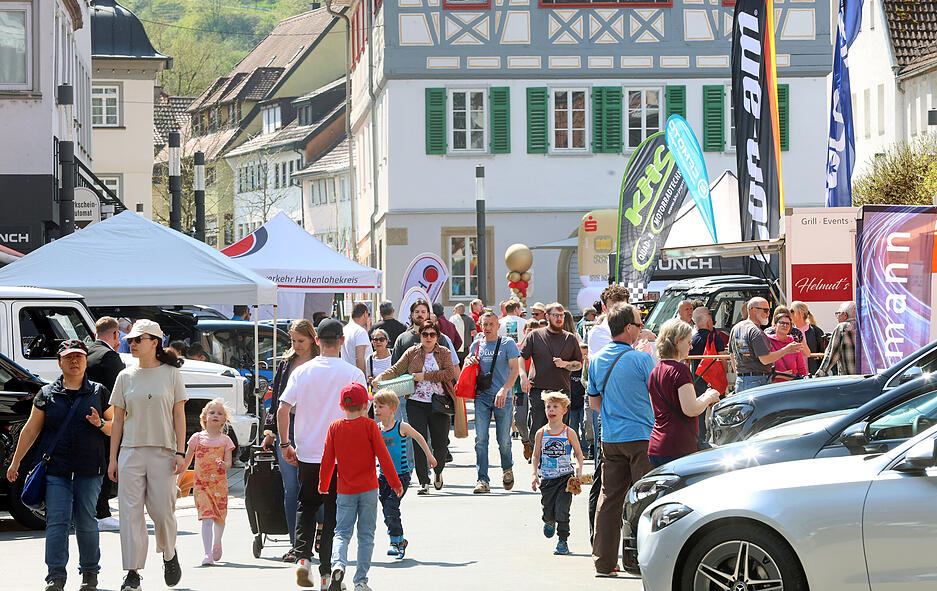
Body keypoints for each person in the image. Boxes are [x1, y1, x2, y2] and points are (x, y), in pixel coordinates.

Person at [6, 340, 110, 591]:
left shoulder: (99, 391)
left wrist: (100, 423)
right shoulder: (46, 393)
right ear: (60, 362)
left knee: (86, 521)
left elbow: (116, 427)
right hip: (56, 469)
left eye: (79, 357)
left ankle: (89, 574)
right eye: (69, 357)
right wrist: (15, 462)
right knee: (57, 523)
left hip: (89, 468)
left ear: (85, 361)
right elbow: (31, 429)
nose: (75, 361)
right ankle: (55, 577)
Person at [277, 318, 366, 589]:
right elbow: (363, 416)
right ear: (342, 341)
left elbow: (282, 409)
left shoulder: (302, 371)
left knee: (306, 505)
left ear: (317, 341)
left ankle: (303, 558)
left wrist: (285, 444)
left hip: (309, 452)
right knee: (333, 514)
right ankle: (327, 574)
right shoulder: (354, 374)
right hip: (341, 456)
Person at [107, 320, 187, 591]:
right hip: (130, 451)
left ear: (155, 342)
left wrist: (180, 451)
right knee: (130, 513)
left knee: (162, 511)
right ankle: (132, 572)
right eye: (130, 340)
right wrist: (113, 458)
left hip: (164, 451)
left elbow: (179, 415)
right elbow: (118, 420)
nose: (132, 343)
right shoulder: (124, 376)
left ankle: (169, 553)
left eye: (138, 339)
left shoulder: (172, 374)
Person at [586, 303, 656, 577]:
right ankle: (642, 560)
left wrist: (615, 410)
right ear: (628, 328)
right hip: (641, 437)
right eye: (639, 325)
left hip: (611, 437)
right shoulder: (641, 359)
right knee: (645, 500)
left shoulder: (597, 359)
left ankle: (604, 563)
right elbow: (657, 395)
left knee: (609, 500)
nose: (641, 329)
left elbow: (594, 402)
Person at [319, 383, 403, 591]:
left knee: (341, 532)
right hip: (368, 489)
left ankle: (338, 565)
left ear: (342, 405)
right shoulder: (370, 426)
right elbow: (384, 457)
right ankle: (360, 581)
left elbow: (327, 459)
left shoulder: (335, 427)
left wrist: (323, 484)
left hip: (344, 490)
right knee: (366, 535)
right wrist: (395, 483)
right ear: (366, 405)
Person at [376, 319, 457, 495]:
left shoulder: (444, 352)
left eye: (432, 334)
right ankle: (423, 481)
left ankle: (438, 470)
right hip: (415, 403)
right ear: (420, 336)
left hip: (439, 403)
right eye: (425, 334)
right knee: (418, 440)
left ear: (437, 337)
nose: (428, 337)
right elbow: (396, 369)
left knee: (440, 444)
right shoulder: (412, 352)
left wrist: (425, 376)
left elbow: (450, 373)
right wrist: (380, 377)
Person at [261, 320, 319, 561]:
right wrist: (270, 431)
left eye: (301, 340)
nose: (296, 345)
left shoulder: (320, 362)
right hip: (288, 426)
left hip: (314, 427)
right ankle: (297, 545)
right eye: (293, 340)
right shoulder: (286, 363)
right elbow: (276, 399)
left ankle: (320, 531)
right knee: (291, 488)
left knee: (316, 483)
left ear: (312, 339)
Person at [647, 320, 722, 468]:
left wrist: (702, 397)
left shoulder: (655, 371)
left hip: (657, 446)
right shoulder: (680, 370)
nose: (691, 346)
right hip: (678, 447)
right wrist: (709, 397)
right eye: (688, 342)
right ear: (677, 341)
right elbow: (690, 409)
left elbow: (662, 410)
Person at [371, 390, 435, 559]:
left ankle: (395, 541)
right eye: (375, 406)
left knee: (391, 507)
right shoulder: (375, 428)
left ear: (393, 409)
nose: (376, 410)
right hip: (383, 477)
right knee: (387, 508)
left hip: (401, 476)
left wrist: (429, 456)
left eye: (381, 406)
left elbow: (419, 437)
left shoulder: (401, 427)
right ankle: (400, 540)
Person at [466, 312, 520, 494]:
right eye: (485, 324)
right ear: (480, 326)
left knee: (503, 440)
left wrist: (505, 389)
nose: (488, 328)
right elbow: (468, 363)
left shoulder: (507, 344)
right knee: (480, 439)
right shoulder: (476, 344)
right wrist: (469, 360)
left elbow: (514, 370)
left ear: (498, 326)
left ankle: (507, 468)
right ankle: (482, 480)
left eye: (491, 324)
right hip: (482, 396)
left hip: (503, 397)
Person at [178, 399, 235, 566]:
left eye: (219, 413)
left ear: (224, 420)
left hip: (219, 485)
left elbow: (229, 463)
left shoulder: (226, 440)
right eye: (212, 412)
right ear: (204, 417)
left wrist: (224, 465)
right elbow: (186, 462)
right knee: (207, 517)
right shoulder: (196, 438)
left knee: (220, 517)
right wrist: (178, 481)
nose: (215, 415)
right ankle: (207, 553)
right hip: (201, 485)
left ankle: (217, 542)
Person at [531, 392, 584, 557]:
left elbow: (578, 453)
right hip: (547, 479)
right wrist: (534, 474)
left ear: (564, 411)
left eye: (555, 407)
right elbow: (535, 455)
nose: (551, 410)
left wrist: (579, 469)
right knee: (548, 510)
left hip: (565, 479)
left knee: (562, 511)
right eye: (548, 407)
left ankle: (562, 541)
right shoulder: (541, 433)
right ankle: (549, 521)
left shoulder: (569, 432)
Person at [519, 302, 583, 439]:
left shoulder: (570, 338)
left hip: (562, 390)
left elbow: (579, 364)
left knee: (560, 430)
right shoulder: (535, 335)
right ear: (547, 317)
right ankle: (535, 451)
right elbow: (521, 357)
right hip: (538, 389)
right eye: (555, 315)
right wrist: (523, 376)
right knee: (537, 428)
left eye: (561, 315)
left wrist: (565, 364)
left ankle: (559, 452)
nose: (559, 319)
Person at [86, 316, 125, 532]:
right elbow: (120, 392)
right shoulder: (110, 357)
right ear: (115, 334)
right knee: (107, 464)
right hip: (106, 419)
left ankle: (92, 511)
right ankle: (102, 513)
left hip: (83, 416)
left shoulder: (86, 352)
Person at [728, 297, 801, 392]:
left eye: (769, 310)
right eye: (765, 310)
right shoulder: (756, 332)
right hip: (757, 381)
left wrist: (738, 376)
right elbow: (765, 359)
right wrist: (786, 350)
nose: (768, 314)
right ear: (754, 310)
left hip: (741, 381)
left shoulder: (736, 328)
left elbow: (732, 355)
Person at [390, 299, 460, 367]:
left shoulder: (440, 338)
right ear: (412, 314)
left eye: (423, 312)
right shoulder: (402, 339)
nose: (420, 314)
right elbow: (395, 366)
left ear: (428, 314)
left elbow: (448, 367)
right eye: (417, 312)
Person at [816, 300, 857, 377]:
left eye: (838, 313)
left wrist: (820, 374)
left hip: (850, 379)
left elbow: (832, 355)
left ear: (845, 315)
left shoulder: (842, 328)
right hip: (869, 378)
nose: (837, 317)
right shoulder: (866, 327)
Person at [587, 285, 630, 356]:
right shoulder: (598, 332)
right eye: (612, 308)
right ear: (604, 308)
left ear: (629, 306)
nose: (618, 312)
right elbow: (622, 358)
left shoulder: (634, 327)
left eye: (622, 307)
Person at [767, 307, 808, 381]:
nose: (785, 325)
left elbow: (801, 368)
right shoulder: (767, 342)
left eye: (787, 324)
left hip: (792, 385)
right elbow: (763, 369)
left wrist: (804, 382)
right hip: (773, 385)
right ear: (774, 326)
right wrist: (782, 375)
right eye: (782, 323)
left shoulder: (794, 344)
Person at [566, 342, 589, 458]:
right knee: (573, 427)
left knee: (584, 427)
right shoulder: (571, 368)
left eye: (586, 354)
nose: (583, 357)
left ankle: (585, 450)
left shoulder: (587, 369)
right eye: (581, 354)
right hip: (572, 403)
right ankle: (575, 449)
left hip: (583, 402)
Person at [790, 301, 825, 375]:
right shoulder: (789, 331)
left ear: (802, 314)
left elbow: (822, 353)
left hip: (813, 373)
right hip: (795, 374)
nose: (790, 313)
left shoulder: (816, 331)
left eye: (792, 311)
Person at [341, 303, 373, 376]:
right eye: (368, 315)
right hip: (357, 376)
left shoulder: (344, 330)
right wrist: (363, 378)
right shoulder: (360, 331)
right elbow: (359, 358)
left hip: (347, 374)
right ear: (365, 314)